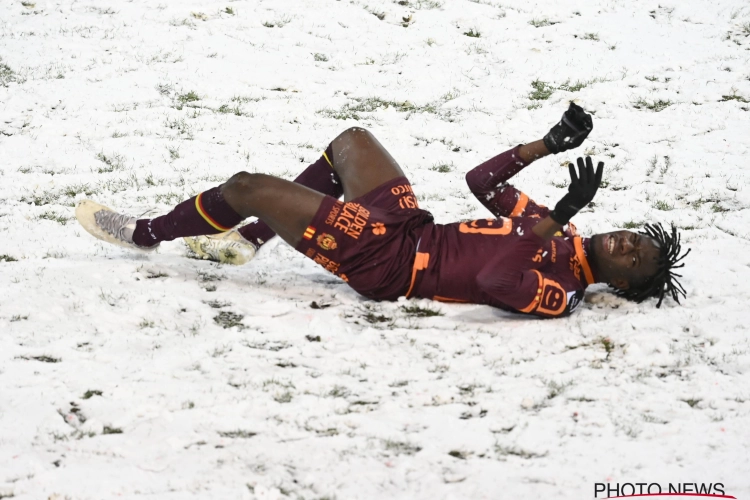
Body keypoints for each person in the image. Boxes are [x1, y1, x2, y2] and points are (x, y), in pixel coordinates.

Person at [76, 104, 689, 318]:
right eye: (636, 237)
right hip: (409, 227)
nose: (627, 244)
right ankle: (254, 239)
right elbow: (483, 182)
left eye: (634, 259)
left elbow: (493, 279)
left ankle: (146, 234)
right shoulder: (566, 233)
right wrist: (546, 145)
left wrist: (553, 220)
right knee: (352, 142)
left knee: (246, 186)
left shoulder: (561, 290)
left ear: (622, 284)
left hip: (388, 262)